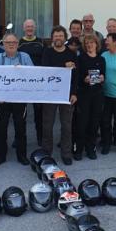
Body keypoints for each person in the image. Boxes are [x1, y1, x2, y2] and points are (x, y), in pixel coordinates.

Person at [0, 34, 32, 167]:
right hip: (2, 100)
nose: (11, 44)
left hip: (20, 99)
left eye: (14, 42)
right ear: (3, 44)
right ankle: (0, 156)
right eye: (8, 42)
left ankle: (22, 156)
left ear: (18, 43)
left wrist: (24, 71)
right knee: (1, 129)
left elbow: (34, 75)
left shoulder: (24, 57)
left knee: (21, 128)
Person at [41, 25, 78, 165]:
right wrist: (64, 66)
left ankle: (66, 153)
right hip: (50, 94)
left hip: (67, 94)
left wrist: (74, 93)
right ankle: (46, 153)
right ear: (52, 38)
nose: (58, 38)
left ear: (65, 38)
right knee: (47, 125)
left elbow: (76, 75)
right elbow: (46, 71)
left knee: (66, 126)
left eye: (60, 36)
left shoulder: (71, 53)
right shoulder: (47, 52)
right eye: (56, 36)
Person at [75, 34, 106, 161]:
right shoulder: (81, 58)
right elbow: (77, 77)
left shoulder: (101, 59)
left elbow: (104, 76)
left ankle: (90, 149)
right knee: (82, 123)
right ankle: (79, 150)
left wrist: (103, 78)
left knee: (94, 123)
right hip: (84, 95)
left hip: (97, 95)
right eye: (87, 43)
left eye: (91, 43)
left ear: (96, 44)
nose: (89, 45)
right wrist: (84, 79)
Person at [18, 19, 44, 144]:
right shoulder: (19, 43)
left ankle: (40, 137)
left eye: (31, 26)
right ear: (24, 28)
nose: (29, 29)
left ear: (35, 28)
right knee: (21, 111)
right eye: (27, 26)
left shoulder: (41, 42)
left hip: (37, 81)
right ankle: (18, 138)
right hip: (22, 81)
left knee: (39, 111)